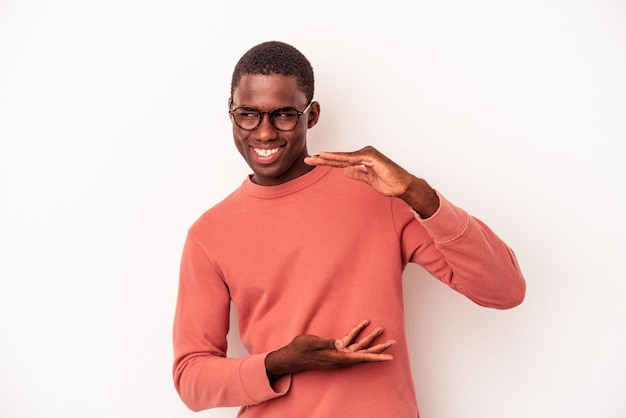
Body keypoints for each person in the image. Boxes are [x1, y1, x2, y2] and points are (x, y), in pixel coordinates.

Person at [172, 41, 526, 417]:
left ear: (313, 114)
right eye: (248, 114)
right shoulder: (209, 234)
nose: (263, 133)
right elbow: (191, 379)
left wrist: (417, 193)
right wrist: (279, 362)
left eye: (284, 114)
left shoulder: (376, 193)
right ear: (231, 113)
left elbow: (504, 290)